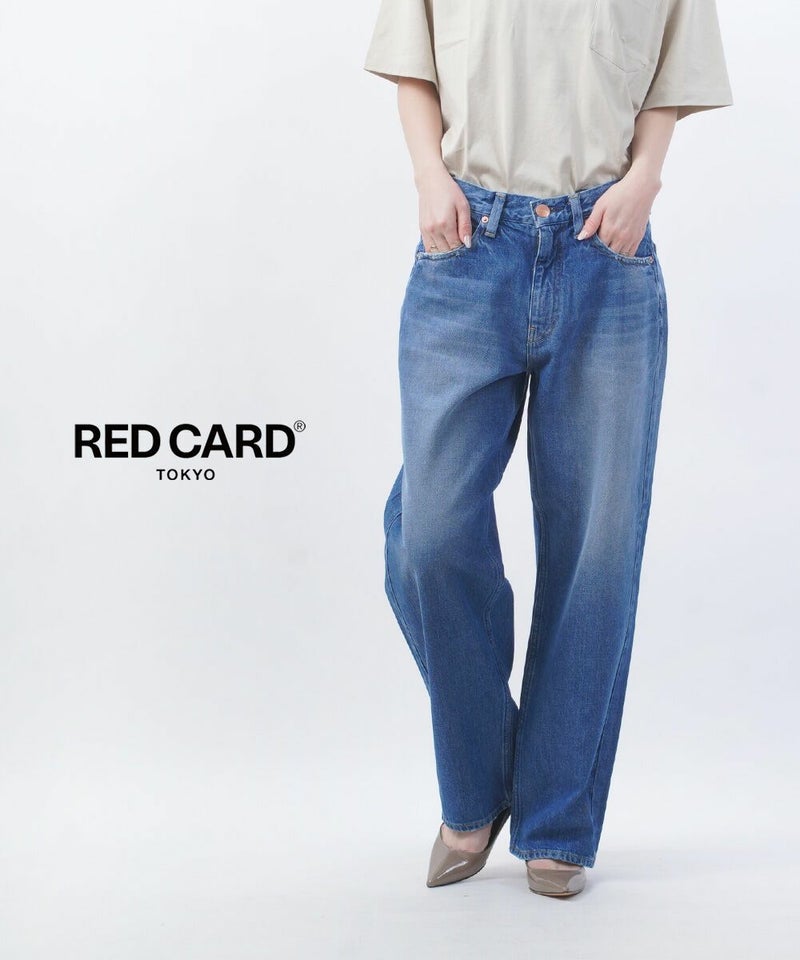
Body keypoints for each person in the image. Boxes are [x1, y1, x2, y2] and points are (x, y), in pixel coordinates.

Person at [363, 0, 732, 898]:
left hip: (606, 247)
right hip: (466, 238)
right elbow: (413, 63)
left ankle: (558, 819)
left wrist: (645, 181)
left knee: (597, 548)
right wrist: (428, 178)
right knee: (426, 535)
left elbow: (670, 76)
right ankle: (484, 781)